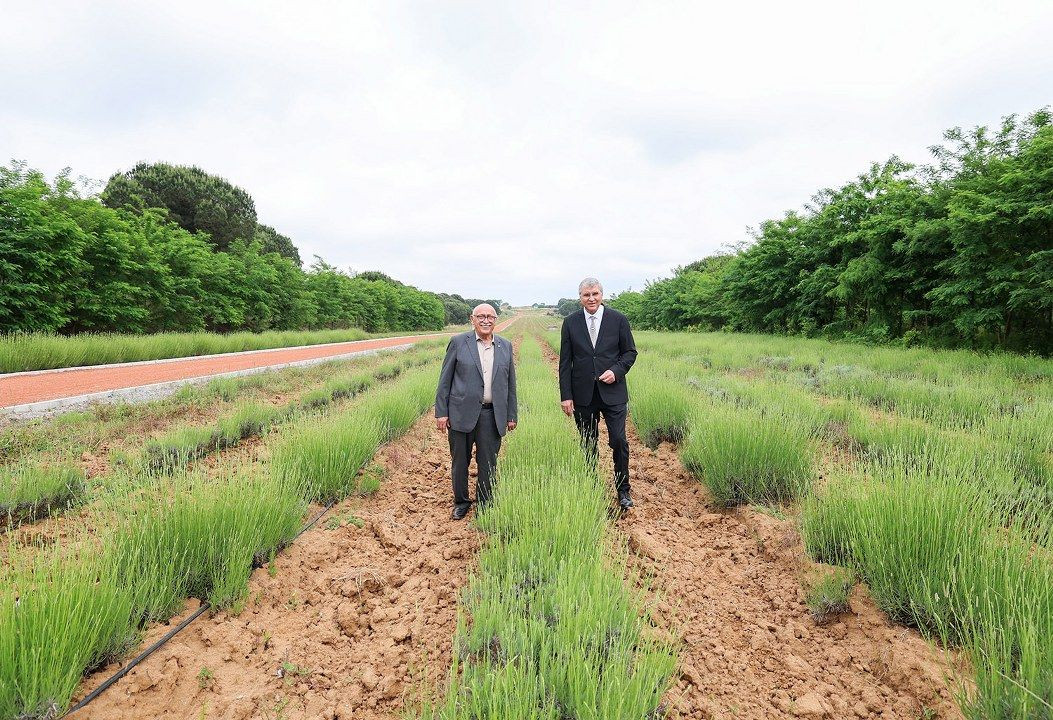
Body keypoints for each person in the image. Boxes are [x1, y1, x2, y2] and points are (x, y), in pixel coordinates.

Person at [559, 277, 638, 511]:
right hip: (583, 394)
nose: (591, 299)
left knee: (619, 441)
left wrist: (616, 371)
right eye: (586, 295)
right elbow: (565, 362)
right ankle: (591, 486)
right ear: (580, 297)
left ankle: (623, 490)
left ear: (601, 295)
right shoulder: (570, 322)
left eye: (594, 294)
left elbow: (630, 353)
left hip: (613, 393)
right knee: (588, 442)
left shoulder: (618, 320)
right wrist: (566, 395)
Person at [435, 304, 518, 520]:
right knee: (460, 461)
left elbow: (510, 384)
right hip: (460, 413)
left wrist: (511, 415)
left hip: (491, 415)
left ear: (496, 320)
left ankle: (485, 502)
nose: (486, 320)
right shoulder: (459, 342)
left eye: (490, 316)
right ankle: (461, 502)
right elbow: (445, 380)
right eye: (481, 316)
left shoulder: (505, 346)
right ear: (472, 319)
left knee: (488, 462)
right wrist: (441, 412)